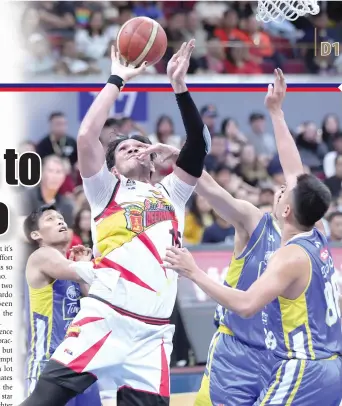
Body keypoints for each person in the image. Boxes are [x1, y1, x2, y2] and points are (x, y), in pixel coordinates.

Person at [20, 39, 210, 406]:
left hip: (154, 334)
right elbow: (87, 135)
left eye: (141, 146)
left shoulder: (173, 192)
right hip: (106, 316)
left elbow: (198, 147)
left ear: (154, 160)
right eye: (125, 148)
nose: (135, 148)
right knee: (41, 401)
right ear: (111, 167)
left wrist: (179, 87)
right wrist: (117, 79)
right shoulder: (105, 189)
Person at [164, 100, 342, 405]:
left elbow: (246, 304)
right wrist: (277, 113)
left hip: (292, 362)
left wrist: (193, 272)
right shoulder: (315, 230)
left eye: (284, 190)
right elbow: (291, 170)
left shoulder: (291, 255)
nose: (279, 187)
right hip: (242, 353)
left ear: (287, 209)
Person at [23, 204, 101, 406]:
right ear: (35, 234)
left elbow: (95, 297)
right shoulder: (40, 256)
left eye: (60, 218)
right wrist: (85, 264)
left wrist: (83, 262)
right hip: (48, 365)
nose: (60, 221)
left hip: (79, 363)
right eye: (50, 219)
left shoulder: (71, 266)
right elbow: (87, 273)